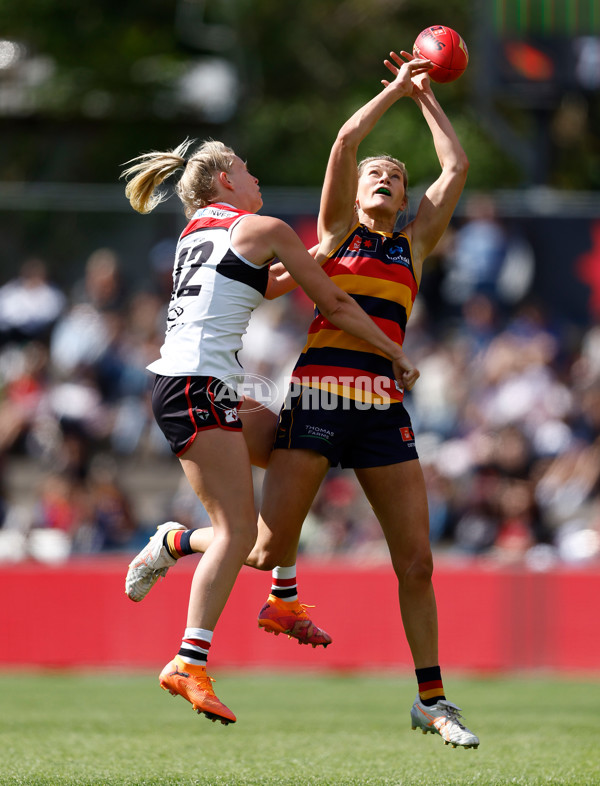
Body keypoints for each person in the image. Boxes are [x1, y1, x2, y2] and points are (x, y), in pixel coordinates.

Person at [121, 136, 421, 725]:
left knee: (292, 446)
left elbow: (269, 284)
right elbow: (331, 300)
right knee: (237, 533)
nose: (255, 177)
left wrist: (321, 247)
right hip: (196, 388)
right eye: (247, 168)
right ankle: (188, 655)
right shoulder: (263, 228)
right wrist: (392, 350)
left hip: (200, 386)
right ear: (226, 180)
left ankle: (281, 597)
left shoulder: (197, 234)